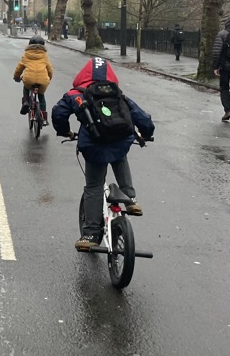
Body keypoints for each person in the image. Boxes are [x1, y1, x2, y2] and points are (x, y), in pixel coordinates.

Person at [52, 58, 155, 251]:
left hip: (94, 146)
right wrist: (146, 134)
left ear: (83, 75)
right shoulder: (117, 94)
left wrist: (65, 131)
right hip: (120, 141)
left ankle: (90, 233)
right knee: (119, 155)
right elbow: (142, 117)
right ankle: (130, 199)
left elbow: (58, 113)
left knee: (93, 186)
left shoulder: (76, 94)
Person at [13, 35, 53, 125]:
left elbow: (19, 68)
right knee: (41, 96)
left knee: (26, 87)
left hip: (29, 79)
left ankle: (26, 101)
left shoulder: (26, 54)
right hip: (43, 80)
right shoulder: (44, 56)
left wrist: (16, 77)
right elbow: (50, 69)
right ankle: (44, 118)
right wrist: (49, 78)